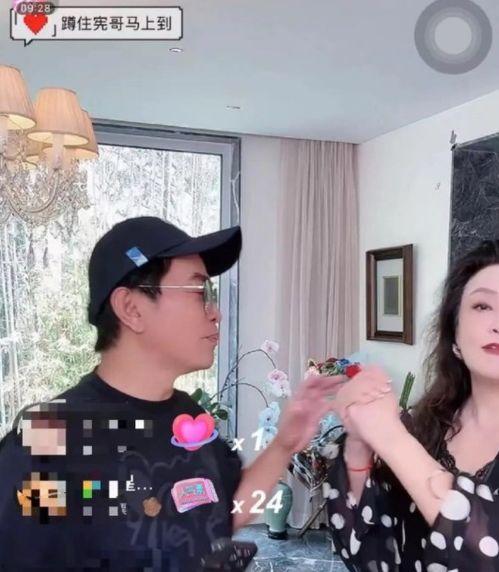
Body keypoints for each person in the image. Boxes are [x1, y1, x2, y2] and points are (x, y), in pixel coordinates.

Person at [0, 216, 358, 571]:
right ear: (131, 308)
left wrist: (286, 442)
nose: (216, 313)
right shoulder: (47, 441)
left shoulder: (189, 417)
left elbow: (226, 511)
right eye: (200, 292)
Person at [327, 239, 499, 571]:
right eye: (482, 306)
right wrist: (360, 441)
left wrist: (391, 437)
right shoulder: (425, 426)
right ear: (454, 335)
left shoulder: (402, 439)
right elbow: (369, 555)